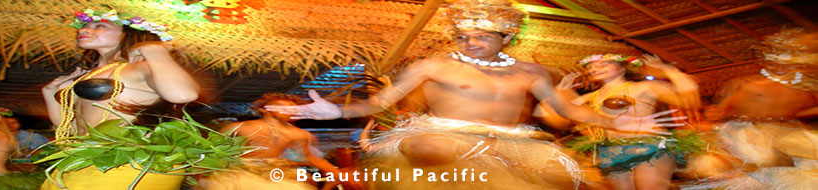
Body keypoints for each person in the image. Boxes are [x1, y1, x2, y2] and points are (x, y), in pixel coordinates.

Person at [266, 0, 679, 189]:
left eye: (481, 35)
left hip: (513, 142)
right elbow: (377, 104)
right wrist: (333, 112)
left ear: (506, 36)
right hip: (446, 134)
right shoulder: (434, 64)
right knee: (430, 148)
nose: (471, 41)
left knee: (559, 178)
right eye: (464, 35)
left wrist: (613, 121)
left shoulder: (532, 71)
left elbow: (564, 108)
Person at [39, 8, 199, 190]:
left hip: (128, 164)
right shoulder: (88, 75)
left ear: (129, 34)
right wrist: (50, 93)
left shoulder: (139, 68)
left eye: (99, 26)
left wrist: (154, 51)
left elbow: (183, 94)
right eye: (84, 26)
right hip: (88, 159)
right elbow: (69, 130)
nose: (83, 30)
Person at [682, 28, 818, 189]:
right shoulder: (753, 87)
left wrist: (788, 118)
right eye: (775, 64)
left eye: (785, 65)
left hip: (782, 133)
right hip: (751, 134)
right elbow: (719, 112)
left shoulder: (804, 89)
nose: (780, 69)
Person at [555, 54, 701, 190]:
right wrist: (561, 93)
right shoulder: (590, 97)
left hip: (649, 146)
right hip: (611, 150)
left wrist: (670, 71)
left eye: (604, 63)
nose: (595, 68)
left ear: (622, 67)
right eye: (591, 66)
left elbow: (688, 101)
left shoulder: (644, 87)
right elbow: (561, 117)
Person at [201, 93, 362, 190]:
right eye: (279, 106)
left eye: (291, 108)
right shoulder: (240, 127)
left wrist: (337, 174)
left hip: (276, 176)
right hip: (240, 174)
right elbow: (210, 153)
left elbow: (309, 157)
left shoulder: (300, 134)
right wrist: (201, 178)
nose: (286, 110)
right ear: (264, 109)